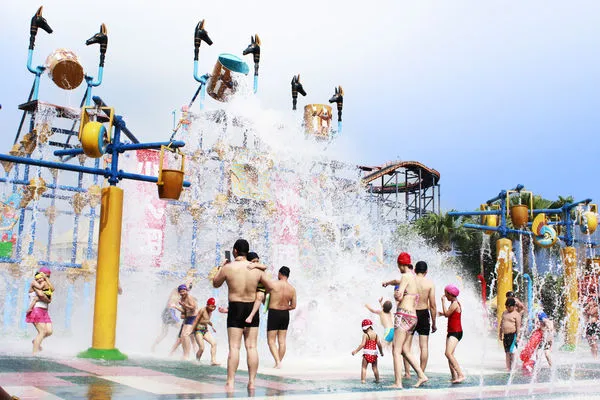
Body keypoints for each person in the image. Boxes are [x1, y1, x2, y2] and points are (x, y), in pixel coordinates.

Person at [212, 239, 273, 391]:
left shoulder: (229, 268)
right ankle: (252, 382)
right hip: (251, 307)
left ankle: (230, 382)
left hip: (235, 307)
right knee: (252, 347)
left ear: (235, 251)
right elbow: (271, 286)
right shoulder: (256, 269)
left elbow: (215, 283)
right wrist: (260, 292)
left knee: (234, 347)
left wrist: (221, 266)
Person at [382, 252, 428, 388]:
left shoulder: (405, 276)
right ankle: (421, 375)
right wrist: (388, 283)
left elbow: (399, 296)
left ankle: (398, 383)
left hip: (403, 314)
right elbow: (397, 282)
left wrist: (396, 294)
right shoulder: (413, 277)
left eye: (398, 265)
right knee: (405, 350)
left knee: (396, 350)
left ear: (402, 265)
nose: (398, 268)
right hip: (413, 317)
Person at [403, 260, 437, 376]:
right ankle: (421, 373)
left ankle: (407, 372)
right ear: (426, 272)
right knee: (424, 346)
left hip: (410, 312)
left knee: (406, 345)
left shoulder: (409, 281)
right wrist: (434, 323)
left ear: (415, 270)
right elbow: (432, 305)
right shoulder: (430, 284)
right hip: (423, 314)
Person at [266, 266, 297, 368]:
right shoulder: (292, 289)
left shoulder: (273, 284)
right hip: (285, 314)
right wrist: (284, 307)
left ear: (279, 274)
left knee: (271, 340)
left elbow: (264, 296)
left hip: (274, 313)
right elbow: (293, 306)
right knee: (282, 341)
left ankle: (278, 362)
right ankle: (278, 363)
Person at [152, 281, 192, 352]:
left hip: (166, 312)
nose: (186, 291)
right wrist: (189, 282)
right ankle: (177, 349)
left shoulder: (178, 294)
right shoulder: (176, 292)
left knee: (164, 333)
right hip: (170, 312)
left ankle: (153, 346)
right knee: (182, 330)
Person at [439, 284, 465, 384]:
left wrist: (442, 302)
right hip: (451, 331)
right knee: (450, 355)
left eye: (446, 294)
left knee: (448, 353)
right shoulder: (453, 303)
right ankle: (454, 376)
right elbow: (449, 314)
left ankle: (460, 374)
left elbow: (447, 314)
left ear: (450, 294)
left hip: (456, 332)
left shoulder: (455, 303)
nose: (445, 296)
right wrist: (441, 313)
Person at [25, 267, 53, 354]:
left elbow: (49, 300)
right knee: (42, 331)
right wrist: (44, 297)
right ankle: (34, 354)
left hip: (44, 311)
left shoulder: (45, 285)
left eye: (48, 277)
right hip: (36, 310)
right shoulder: (35, 283)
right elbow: (41, 295)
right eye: (45, 276)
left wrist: (45, 298)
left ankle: (35, 341)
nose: (45, 278)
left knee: (49, 331)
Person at [170, 284, 198, 360]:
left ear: (186, 291)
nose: (183, 293)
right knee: (182, 336)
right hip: (187, 318)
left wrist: (184, 305)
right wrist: (176, 307)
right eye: (181, 292)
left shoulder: (189, 298)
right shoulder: (182, 299)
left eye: (184, 291)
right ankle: (185, 354)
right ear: (179, 292)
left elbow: (193, 308)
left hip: (193, 318)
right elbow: (184, 311)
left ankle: (187, 355)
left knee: (185, 335)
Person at [351, 319, 384, 383]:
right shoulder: (376, 335)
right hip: (374, 354)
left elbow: (363, 344)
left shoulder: (365, 335)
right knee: (375, 368)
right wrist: (381, 352)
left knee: (364, 367)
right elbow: (379, 344)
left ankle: (363, 380)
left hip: (367, 354)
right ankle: (377, 380)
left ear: (366, 328)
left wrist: (356, 351)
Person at [192, 297, 219, 365]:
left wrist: (212, 326)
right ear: (207, 305)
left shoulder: (210, 312)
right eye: (212, 306)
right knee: (202, 348)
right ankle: (197, 361)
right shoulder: (202, 310)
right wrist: (191, 330)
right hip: (198, 330)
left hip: (205, 330)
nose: (213, 308)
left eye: (214, 307)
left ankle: (213, 361)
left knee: (214, 343)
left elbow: (206, 320)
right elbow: (196, 320)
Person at [244, 252, 267, 324]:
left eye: (257, 261)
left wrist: (254, 265)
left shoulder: (260, 267)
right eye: (253, 261)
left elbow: (265, 267)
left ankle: (251, 316)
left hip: (261, 290)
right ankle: (229, 309)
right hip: (252, 289)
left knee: (259, 297)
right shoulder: (247, 268)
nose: (256, 263)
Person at [499, 297, 521, 371]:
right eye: (506, 306)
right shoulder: (504, 313)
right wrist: (500, 333)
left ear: (513, 306)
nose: (507, 308)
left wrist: (518, 336)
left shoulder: (516, 314)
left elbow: (518, 327)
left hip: (513, 335)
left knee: (513, 352)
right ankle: (508, 367)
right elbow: (501, 324)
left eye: (509, 306)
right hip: (506, 335)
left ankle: (514, 367)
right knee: (507, 352)